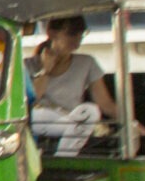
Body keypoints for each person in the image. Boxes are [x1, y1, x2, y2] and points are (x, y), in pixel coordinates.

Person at [28, 14, 114, 153]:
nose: (77, 39)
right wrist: (46, 70)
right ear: (52, 33)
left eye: (81, 33)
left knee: (90, 110)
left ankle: (63, 156)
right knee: (40, 113)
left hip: (71, 120)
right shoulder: (28, 65)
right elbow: (32, 98)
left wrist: (131, 123)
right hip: (40, 121)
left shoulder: (87, 62)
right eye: (71, 34)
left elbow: (105, 104)